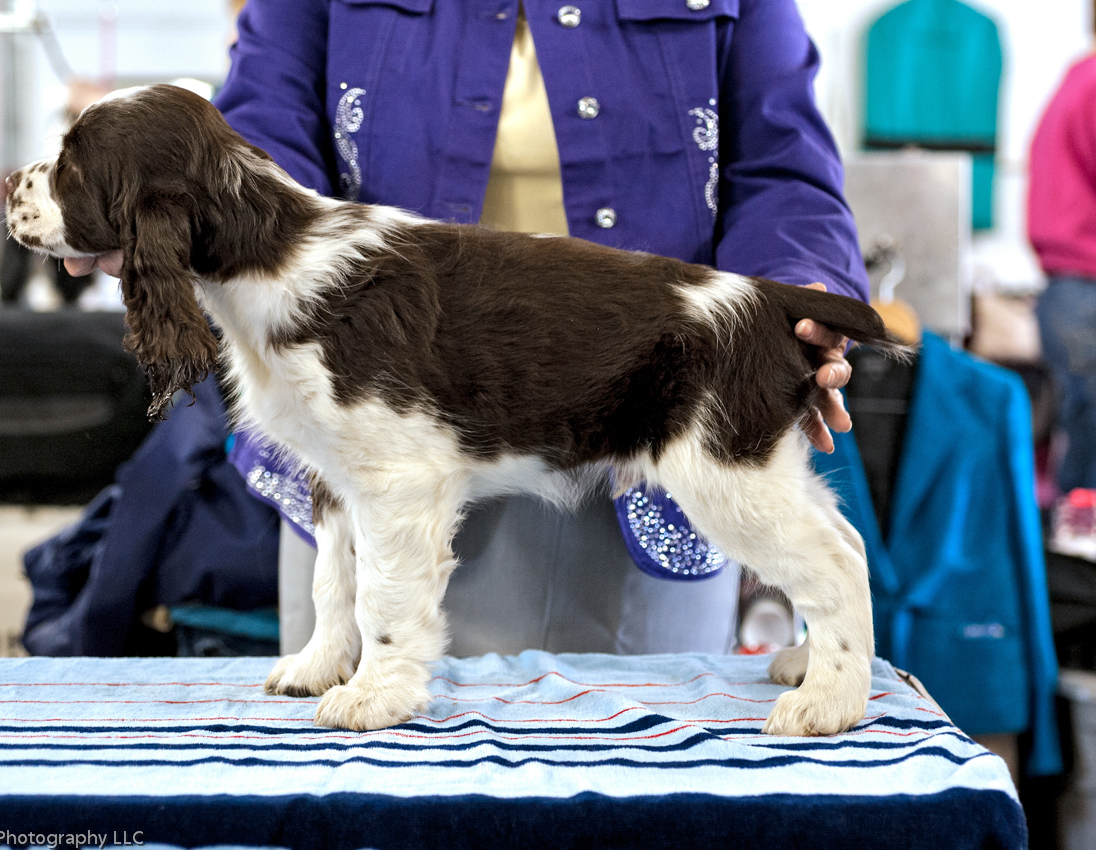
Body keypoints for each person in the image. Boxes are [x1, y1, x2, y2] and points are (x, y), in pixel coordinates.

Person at [67, 0, 867, 656]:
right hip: (373, 430)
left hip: (643, 425)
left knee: (624, 787)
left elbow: (784, 168)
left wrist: (790, 317)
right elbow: (260, 138)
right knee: (366, 778)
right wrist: (174, 216)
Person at [1030, 54, 1096, 496]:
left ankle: (1074, 549)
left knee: (1084, 434)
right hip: (1084, 285)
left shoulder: (1080, 76)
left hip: (1069, 287)